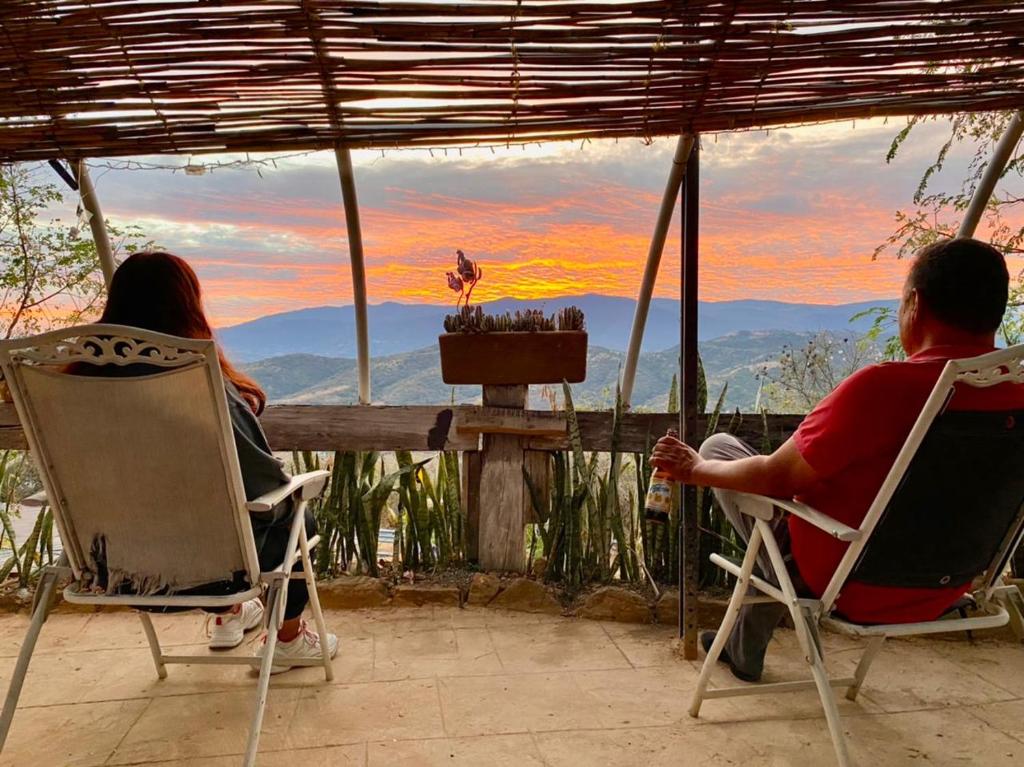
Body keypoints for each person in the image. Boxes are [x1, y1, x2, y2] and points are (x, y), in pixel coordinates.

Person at [651, 237, 1024, 683]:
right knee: (779, 519)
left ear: (915, 304)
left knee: (721, 455)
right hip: (948, 586)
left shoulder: (884, 389)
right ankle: (741, 646)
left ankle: (741, 647)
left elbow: (774, 476)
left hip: (851, 581)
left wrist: (692, 469)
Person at [85, 251, 337, 673]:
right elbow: (260, 485)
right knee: (295, 519)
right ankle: (288, 640)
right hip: (212, 575)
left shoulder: (78, 386)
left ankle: (229, 618)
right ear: (188, 304)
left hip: (114, 568)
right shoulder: (197, 384)